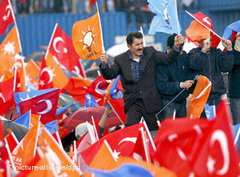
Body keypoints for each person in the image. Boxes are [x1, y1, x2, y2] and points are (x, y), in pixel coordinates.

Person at [99, 31, 184, 130]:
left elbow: (168, 58)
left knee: (155, 131)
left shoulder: (150, 53)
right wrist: (104, 65)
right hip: (133, 102)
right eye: (137, 44)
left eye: (141, 43)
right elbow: (110, 74)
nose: (140, 47)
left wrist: (176, 46)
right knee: (130, 129)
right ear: (129, 46)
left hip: (151, 101)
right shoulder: (120, 60)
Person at [188, 35, 234, 112]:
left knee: (221, 122)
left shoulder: (217, 52)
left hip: (218, 96)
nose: (208, 42)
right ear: (199, 41)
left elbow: (227, 67)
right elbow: (194, 65)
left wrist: (229, 49)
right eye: (205, 40)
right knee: (204, 123)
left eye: (211, 40)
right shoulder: (193, 53)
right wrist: (203, 51)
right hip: (201, 97)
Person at [156, 33, 196, 120]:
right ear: (168, 48)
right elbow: (162, 86)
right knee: (169, 132)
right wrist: (180, 85)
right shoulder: (161, 61)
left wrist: (192, 84)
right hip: (168, 104)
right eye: (178, 50)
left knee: (182, 131)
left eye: (182, 50)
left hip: (182, 102)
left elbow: (189, 73)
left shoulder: (184, 55)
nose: (180, 53)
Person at [228, 32, 240, 125]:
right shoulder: (230, 46)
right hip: (236, 92)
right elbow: (230, 63)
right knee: (237, 122)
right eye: (239, 35)